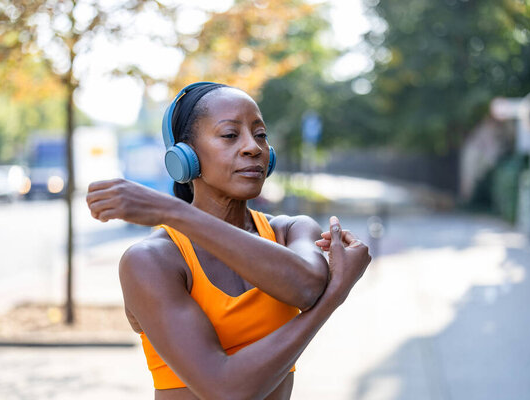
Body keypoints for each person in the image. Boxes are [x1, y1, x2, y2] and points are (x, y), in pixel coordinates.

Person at [86, 82, 371, 399]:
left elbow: (307, 288)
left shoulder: (291, 231)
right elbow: (227, 390)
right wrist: (335, 295)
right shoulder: (152, 260)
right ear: (186, 157)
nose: (254, 148)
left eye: (260, 135)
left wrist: (172, 211)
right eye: (230, 135)